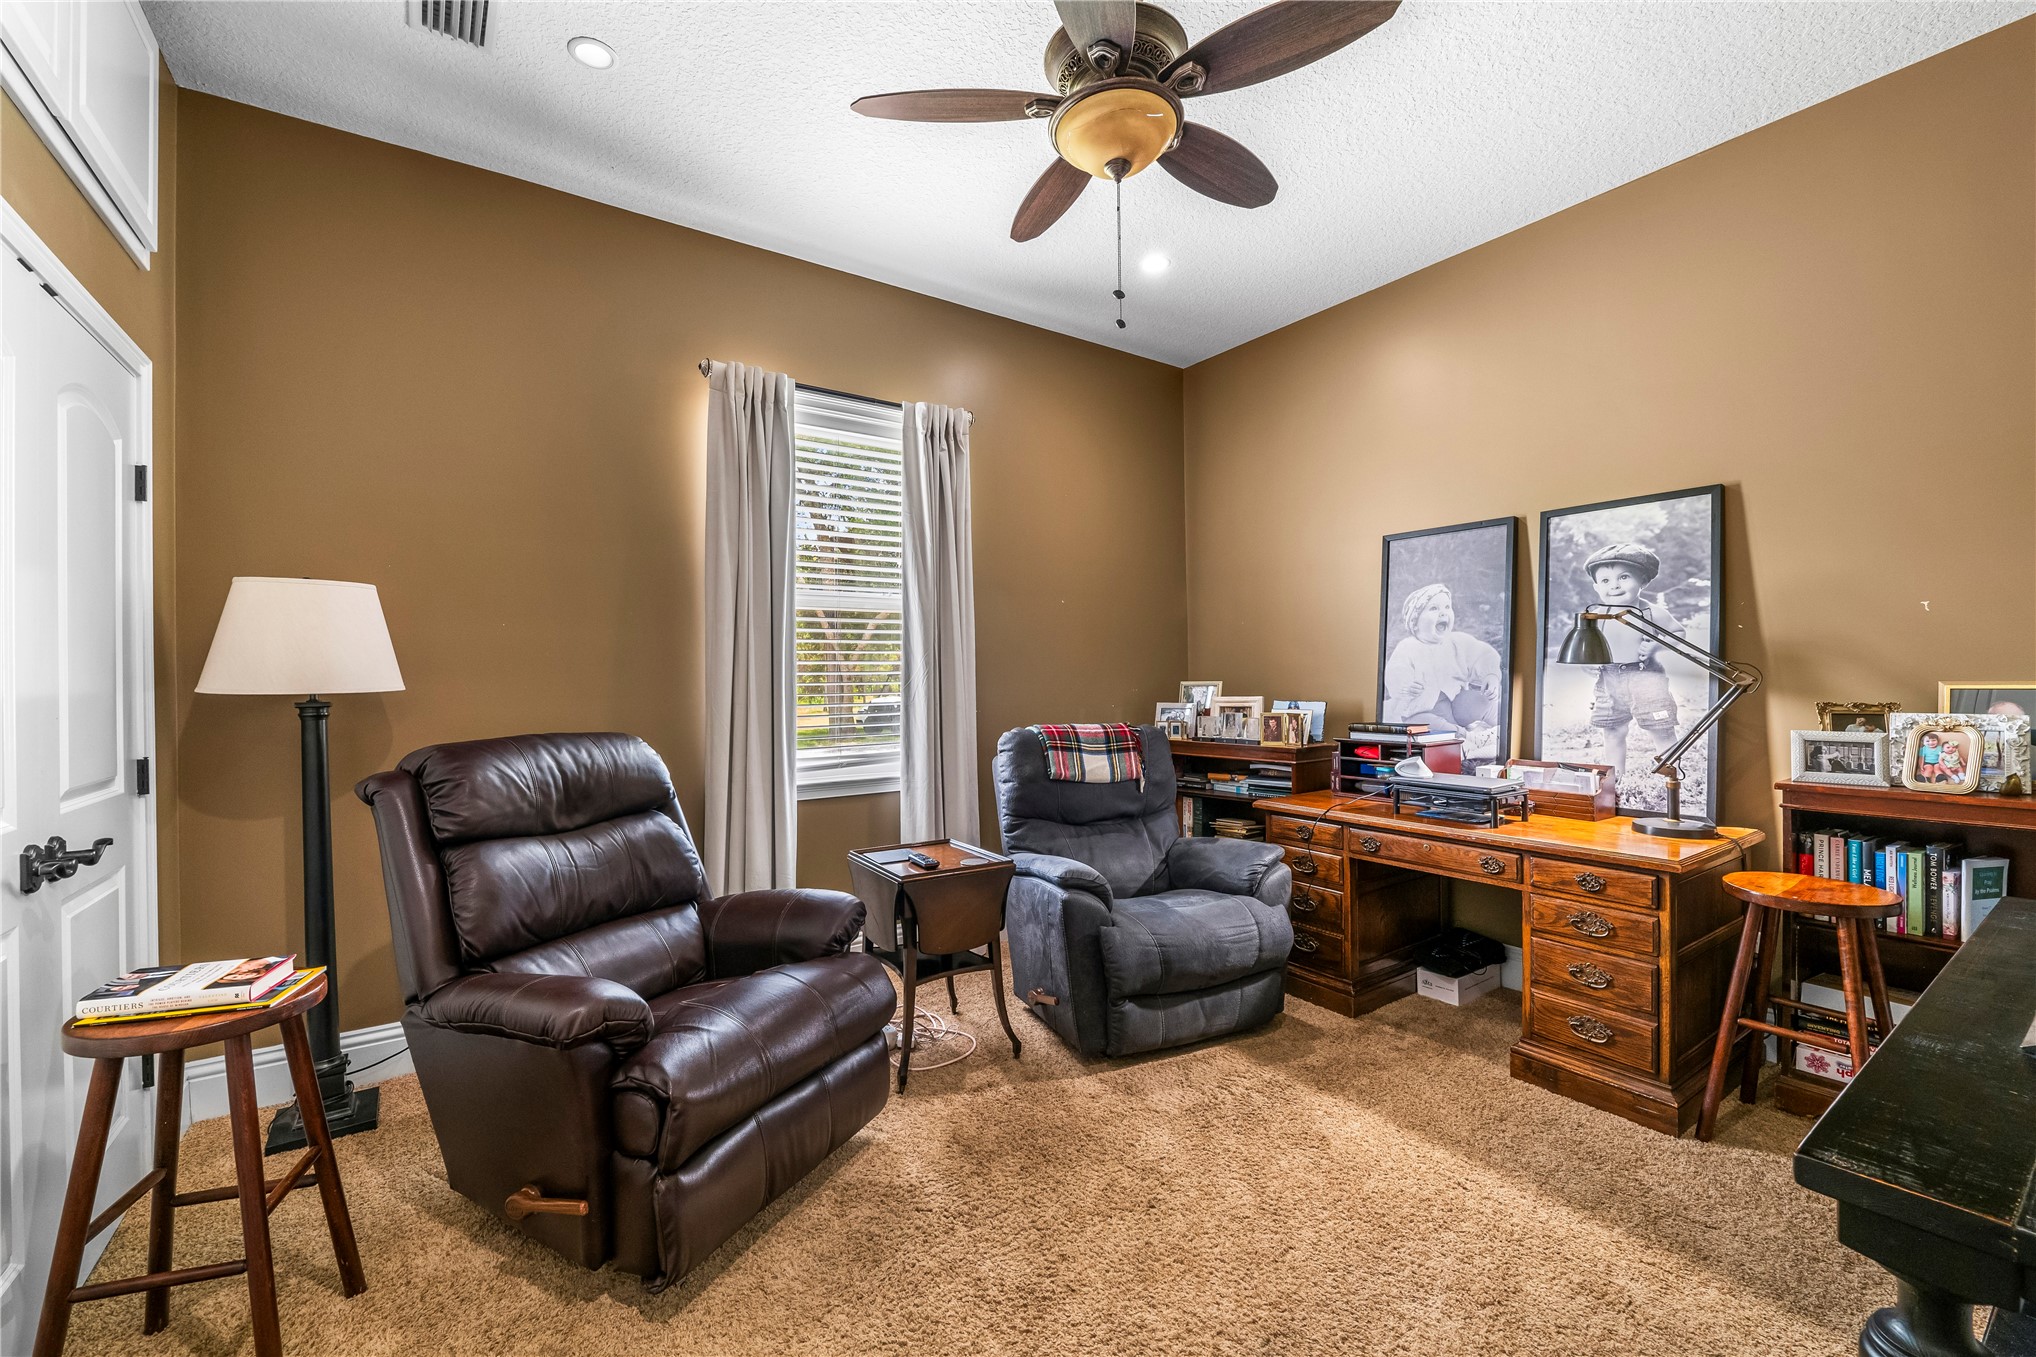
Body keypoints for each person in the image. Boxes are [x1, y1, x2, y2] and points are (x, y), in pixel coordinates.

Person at [1580, 543, 1682, 775]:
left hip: (1647, 679)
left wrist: (1656, 645)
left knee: (1661, 728)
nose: (1614, 585)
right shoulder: (1596, 615)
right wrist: (1588, 663)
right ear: (1596, 587)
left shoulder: (1652, 612)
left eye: (1624, 577)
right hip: (1609, 681)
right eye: (1605, 580)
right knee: (1612, 730)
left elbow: (1678, 633)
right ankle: (1616, 776)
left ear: (1643, 581)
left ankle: (1672, 775)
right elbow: (1587, 646)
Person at [1381, 583, 1502, 733]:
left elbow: (1482, 655)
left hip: (1457, 704)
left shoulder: (1457, 642)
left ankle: (1502, 723)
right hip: (1422, 710)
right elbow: (1396, 672)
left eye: (1447, 607)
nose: (1443, 613)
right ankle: (1463, 736)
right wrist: (1406, 686)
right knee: (1422, 724)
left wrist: (1490, 675)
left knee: (1482, 701)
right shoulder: (1408, 647)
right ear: (1415, 622)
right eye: (1434, 608)